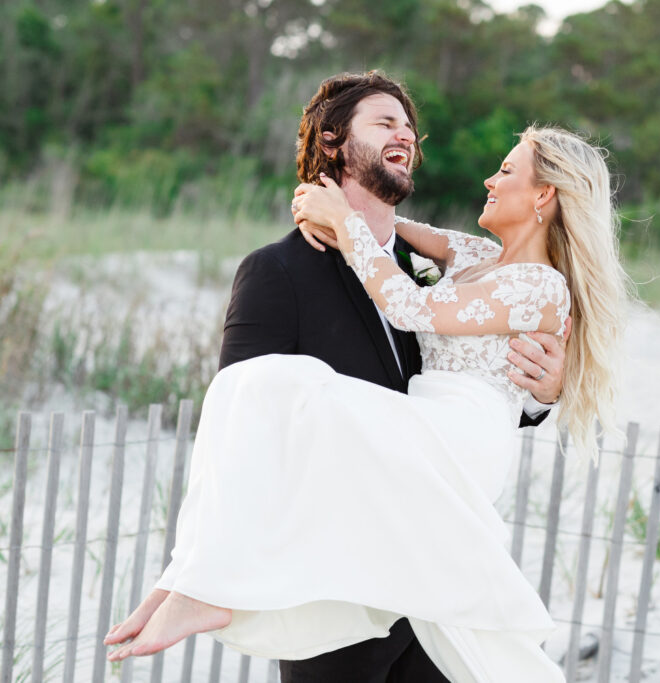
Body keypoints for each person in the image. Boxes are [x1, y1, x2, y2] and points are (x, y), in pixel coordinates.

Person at [104, 118, 630, 680]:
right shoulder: (476, 255)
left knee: (279, 384)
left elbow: (413, 310)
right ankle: (194, 580)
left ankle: (205, 587)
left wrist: (344, 220)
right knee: (258, 385)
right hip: (420, 426)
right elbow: (390, 226)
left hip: (459, 435)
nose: (488, 180)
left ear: (543, 194)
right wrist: (327, 200)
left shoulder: (542, 286)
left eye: (505, 170)